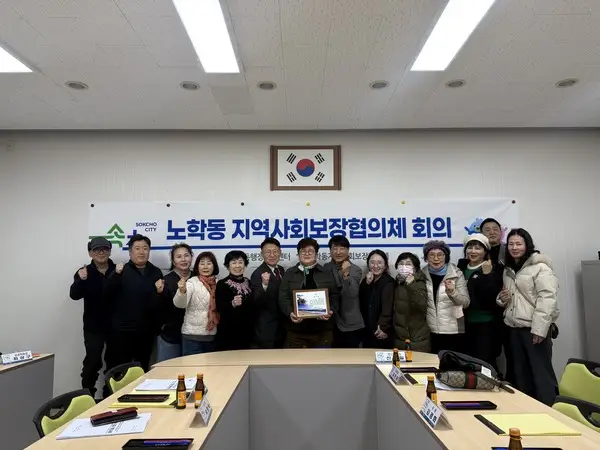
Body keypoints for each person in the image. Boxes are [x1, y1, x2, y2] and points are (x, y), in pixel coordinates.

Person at [497, 228, 559, 405]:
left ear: (527, 245)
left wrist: (539, 329)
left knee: (541, 375)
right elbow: (509, 297)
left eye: (519, 244)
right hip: (514, 329)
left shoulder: (540, 267)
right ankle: (527, 410)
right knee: (520, 374)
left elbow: (547, 298)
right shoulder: (508, 269)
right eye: (511, 244)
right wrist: (501, 299)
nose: (514, 247)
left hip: (534, 329)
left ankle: (551, 411)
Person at [104, 235, 163, 372]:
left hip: (146, 331)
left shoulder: (156, 272)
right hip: (122, 332)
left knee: (142, 368)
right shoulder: (121, 270)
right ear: (130, 252)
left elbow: (159, 302)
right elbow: (106, 294)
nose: (141, 252)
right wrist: (115, 275)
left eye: (145, 248)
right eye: (137, 248)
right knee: (119, 370)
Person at [69, 237, 116, 399]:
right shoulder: (84, 272)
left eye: (104, 249)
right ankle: (87, 398)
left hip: (115, 326)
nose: (101, 252)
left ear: (109, 251)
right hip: (93, 326)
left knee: (114, 363)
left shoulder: (118, 270)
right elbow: (74, 295)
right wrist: (81, 280)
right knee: (92, 362)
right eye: (97, 250)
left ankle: (109, 397)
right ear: (90, 253)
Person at [279, 238, 340, 348]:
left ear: (316, 254)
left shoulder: (326, 272)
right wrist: (290, 313)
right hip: (296, 331)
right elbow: (283, 297)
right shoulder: (290, 273)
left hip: (322, 330)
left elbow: (335, 295)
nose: (307, 254)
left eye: (310, 251)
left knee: (322, 359)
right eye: (303, 251)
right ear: (298, 254)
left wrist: (330, 311)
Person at [457, 234, 503, 368]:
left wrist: (487, 276)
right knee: (469, 362)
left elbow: (494, 298)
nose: (473, 251)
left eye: (478, 248)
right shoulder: (461, 269)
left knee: (485, 363)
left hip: (486, 324)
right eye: (470, 248)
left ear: (485, 251)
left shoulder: (493, 268)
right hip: (466, 324)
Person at [421, 240, 470, 354]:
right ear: (426, 258)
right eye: (431, 255)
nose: (436, 258)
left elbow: (465, 303)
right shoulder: (421, 275)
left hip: (452, 330)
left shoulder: (456, 274)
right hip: (429, 331)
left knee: (450, 363)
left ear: (446, 257)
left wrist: (453, 292)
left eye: (440, 255)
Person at [173, 251, 219, 355]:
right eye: (202, 263)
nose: (205, 266)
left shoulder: (219, 283)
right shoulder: (192, 282)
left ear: (214, 266)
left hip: (212, 336)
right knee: (192, 365)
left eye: (209, 263)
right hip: (192, 337)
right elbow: (180, 304)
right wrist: (182, 291)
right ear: (197, 267)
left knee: (211, 366)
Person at [323, 236, 364, 348]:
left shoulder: (355, 269)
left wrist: (346, 274)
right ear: (330, 250)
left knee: (350, 356)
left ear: (348, 250)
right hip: (330, 322)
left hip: (350, 322)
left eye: (342, 248)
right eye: (335, 248)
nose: (338, 252)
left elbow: (351, 294)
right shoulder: (325, 268)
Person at [156, 244, 193, 362]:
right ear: (173, 261)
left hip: (194, 336)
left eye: (186, 255)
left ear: (191, 257)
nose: (183, 259)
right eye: (179, 256)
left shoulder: (197, 278)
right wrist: (159, 293)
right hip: (171, 335)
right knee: (167, 370)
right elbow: (159, 308)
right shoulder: (166, 280)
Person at [388, 252, 430, 352]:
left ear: (415, 268)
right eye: (401, 263)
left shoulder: (419, 282)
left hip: (416, 339)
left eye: (408, 264)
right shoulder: (397, 283)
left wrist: (411, 285)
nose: (404, 267)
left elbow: (422, 305)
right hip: (400, 338)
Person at [215, 251, 255, 350]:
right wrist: (232, 303)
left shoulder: (249, 282)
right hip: (229, 333)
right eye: (233, 262)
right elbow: (219, 307)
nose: (237, 266)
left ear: (245, 265)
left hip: (248, 332)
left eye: (240, 262)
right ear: (227, 266)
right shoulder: (222, 283)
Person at [250, 238, 285, 349]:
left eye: (275, 251)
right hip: (266, 328)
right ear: (262, 254)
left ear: (280, 252)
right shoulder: (257, 274)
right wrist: (264, 285)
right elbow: (256, 300)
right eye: (268, 252)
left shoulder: (281, 270)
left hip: (282, 326)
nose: (272, 255)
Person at [358, 250, 395, 348]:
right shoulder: (366, 280)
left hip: (381, 331)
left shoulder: (389, 282)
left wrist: (383, 328)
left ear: (385, 265)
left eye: (379, 262)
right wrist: (367, 284)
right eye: (372, 262)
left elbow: (388, 309)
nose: (375, 266)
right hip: (367, 330)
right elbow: (361, 301)